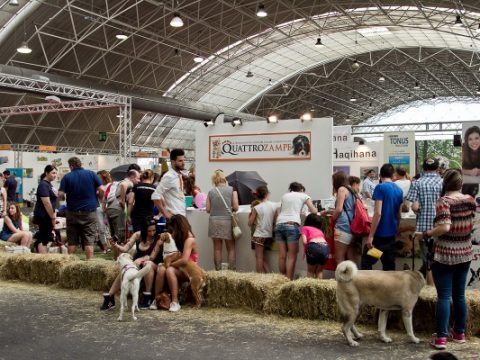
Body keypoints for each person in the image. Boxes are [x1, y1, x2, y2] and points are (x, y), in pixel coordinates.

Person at [422, 169, 475, 350]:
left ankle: (441, 338)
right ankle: (459, 333)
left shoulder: (444, 201)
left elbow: (444, 227)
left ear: (445, 183)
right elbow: (472, 223)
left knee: (444, 296)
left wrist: (427, 233)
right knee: (459, 295)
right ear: (460, 184)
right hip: (466, 252)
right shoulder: (470, 200)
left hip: (445, 254)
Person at [101, 218, 163, 310]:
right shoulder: (137, 235)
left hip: (153, 264)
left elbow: (152, 257)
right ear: (143, 230)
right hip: (136, 264)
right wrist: (115, 245)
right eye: (149, 231)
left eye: (154, 230)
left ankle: (147, 296)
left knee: (148, 264)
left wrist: (142, 259)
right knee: (126, 269)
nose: (152, 233)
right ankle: (110, 296)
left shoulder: (159, 238)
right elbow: (125, 249)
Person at [151, 214, 200, 312]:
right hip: (179, 267)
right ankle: (157, 299)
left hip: (187, 271)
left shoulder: (189, 239)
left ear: (179, 228)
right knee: (161, 269)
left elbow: (184, 260)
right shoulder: (176, 238)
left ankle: (175, 301)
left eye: (173, 230)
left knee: (169, 270)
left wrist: (169, 264)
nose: (171, 233)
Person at [58, 157, 104, 260]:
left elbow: (60, 194)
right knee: (89, 240)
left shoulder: (67, 177)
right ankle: (89, 263)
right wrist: (100, 198)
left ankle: (70, 265)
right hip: (89, 212)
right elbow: (101, 189)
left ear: (71, 166)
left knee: (72, 241)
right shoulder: (92, 174)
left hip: (72, 212)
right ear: (81, 164)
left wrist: (64, 198)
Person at [406, 158, 443, 282]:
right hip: (441, 226)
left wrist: (418, 210)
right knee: (441, 259)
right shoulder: (443, 182)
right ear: (437, 168)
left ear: (423, 168)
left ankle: (430, 292)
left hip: (424, 229)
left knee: (428, 260)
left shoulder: (417, 182)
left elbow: (415, 206)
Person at [361, 163, 403, 271]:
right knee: (389, 266)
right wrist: (396, 229)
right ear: (393, 174)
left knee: (367, 262)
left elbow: (378, 213)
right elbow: (399, 215)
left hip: (379, 237)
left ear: (380, 175)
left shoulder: (380, 188)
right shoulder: (399, 190)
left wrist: (371, 236)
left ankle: (369, 287)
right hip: (391, 236)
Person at [274, 182, 317, 280]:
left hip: (279, 224)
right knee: (291, 257)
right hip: (292, 225)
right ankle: (289, 281)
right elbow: (313, 211)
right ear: (301, 189)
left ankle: (282, 279)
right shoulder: (304, 195)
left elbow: (281, 210)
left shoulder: (285, 196)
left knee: (282, 255)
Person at [206, 170, 239, 270]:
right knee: (231, 248)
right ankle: (231, 272)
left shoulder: (211, 192)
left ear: (214, 181)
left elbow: (207, 209)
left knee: (217, 248)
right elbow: (236, 207)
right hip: (227, 221)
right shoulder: (232, 190)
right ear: (224, 179)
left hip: (214, 221)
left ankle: (218, 271)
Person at [105, 169, 140, 248]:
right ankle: (120, 255)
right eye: (138, 178)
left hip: (110, 208)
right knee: (121, 235)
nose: (139, 181)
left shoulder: (118, 182)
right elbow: (124, 185)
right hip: (118, 209)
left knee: (114, 235)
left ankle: (116, 256)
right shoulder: (129, 182)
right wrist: (123, 201)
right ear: (132, 177)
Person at [248, 185, 277, 273]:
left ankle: (260, 278)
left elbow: (249, 223)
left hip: (259, 235)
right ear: (267, 194)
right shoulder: (274, 205)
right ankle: (269, 275)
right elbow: (275, 220)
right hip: (269, 235)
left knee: (259, 258)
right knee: (264, 258)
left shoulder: (256, 208)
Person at [151, 149, 187, 218]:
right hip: (174, 217)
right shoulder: (169, 176)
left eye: (183, 160)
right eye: (180, 161)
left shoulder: (178, 175)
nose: (183, 163)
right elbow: (155, 196)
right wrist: (166, 214)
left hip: (181, 215)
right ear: (173, 162)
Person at [331, 171, 357, 265]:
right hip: (351, 226)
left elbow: (338, 209)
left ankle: (341, 280)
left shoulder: (341, 190)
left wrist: (333, 218)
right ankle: (355, 279)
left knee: (339, 258)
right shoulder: (351, 190)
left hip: (342, 226)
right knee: (351, 258)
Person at [33, 165, 58, 253]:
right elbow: (47, 203)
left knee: (44, 237)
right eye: (53, 173)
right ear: (47, 173)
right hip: (43, 215)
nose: (55, 175)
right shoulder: (43, 185)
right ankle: (43, 258)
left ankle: (39, 251)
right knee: (44, 238)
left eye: (56, 173)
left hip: (47, 215)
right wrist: (52, 217)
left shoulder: (49, 184)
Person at [300, 213, 329, 279]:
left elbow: (304, 242)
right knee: (319, 271)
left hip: (313, 247)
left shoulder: (305, 228)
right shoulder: (320, 231)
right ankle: (319, 288)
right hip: (325, 248)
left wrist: (308, 250)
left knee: (310, 271)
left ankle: (310, 288)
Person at [96, 170, 112, 254]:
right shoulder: (97, 186)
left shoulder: (110, 185)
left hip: (108, 207)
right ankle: (105, 247)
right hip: (98, 208)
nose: (97, 179)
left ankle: (113, 245)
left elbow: (107, 197)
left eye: (99, 177)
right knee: (101, 228)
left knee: (109, 228)